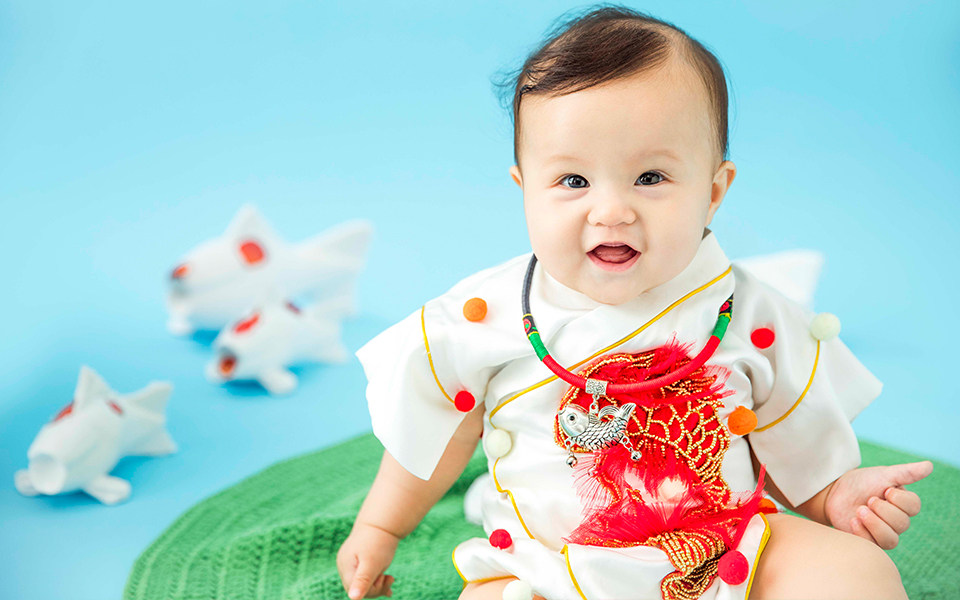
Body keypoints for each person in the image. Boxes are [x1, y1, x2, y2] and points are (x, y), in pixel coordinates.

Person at [337, 6, 932, 600]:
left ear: (713, 191)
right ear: (525, 190)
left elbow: (794, 440)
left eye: (650, 178)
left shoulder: (747, 310)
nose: (611, 211)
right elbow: (438, 425)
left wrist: (834, 496)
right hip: (549, 566)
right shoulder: (484, 315)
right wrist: (380, 527)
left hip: (727, 548)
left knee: (857, 573)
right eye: (573, 181)